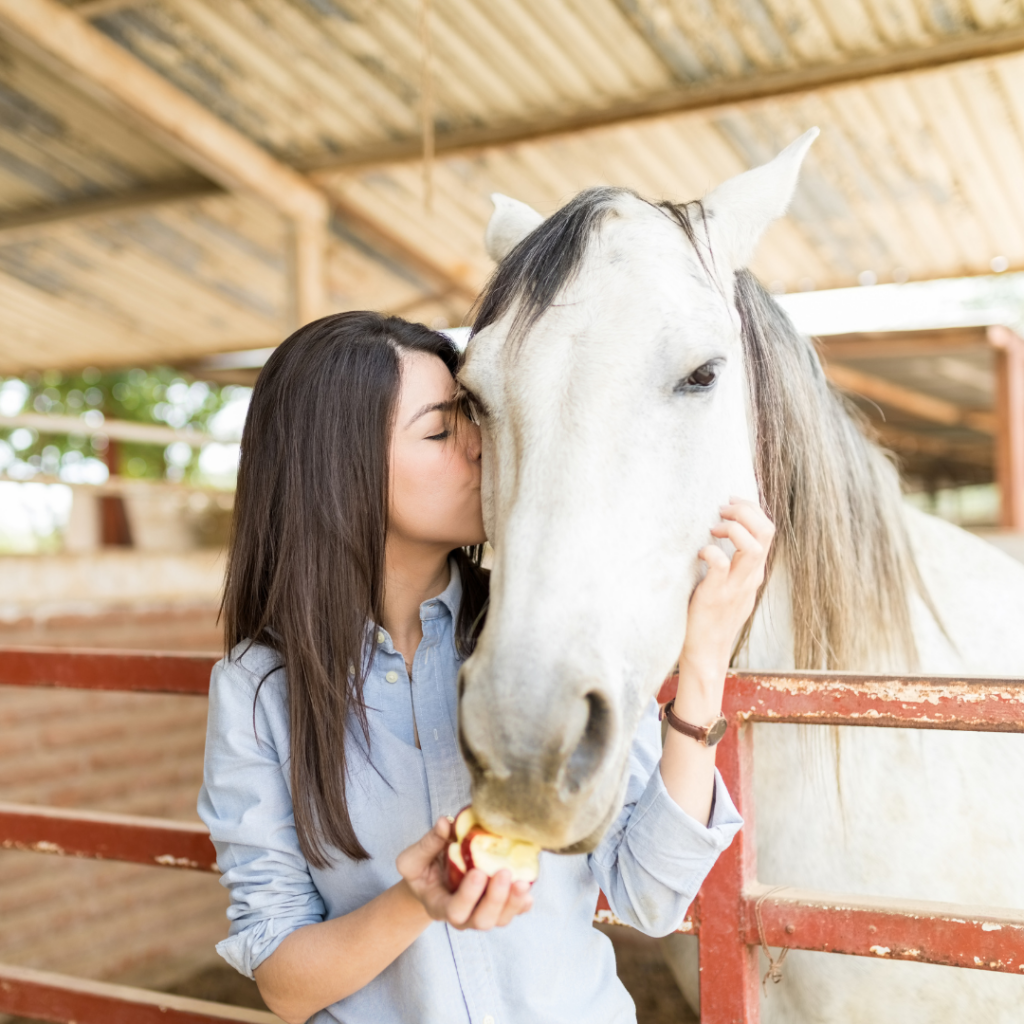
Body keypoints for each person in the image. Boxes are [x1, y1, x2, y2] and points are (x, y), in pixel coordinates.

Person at [199, 311, 773, 1024]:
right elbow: (285, 985)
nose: (483, 448)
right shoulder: (259, 693)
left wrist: (705, 655)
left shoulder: (546, 632)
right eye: (441, 432)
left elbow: (649, 895)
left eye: (472, 419)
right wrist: (420, 900)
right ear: (335, 469)